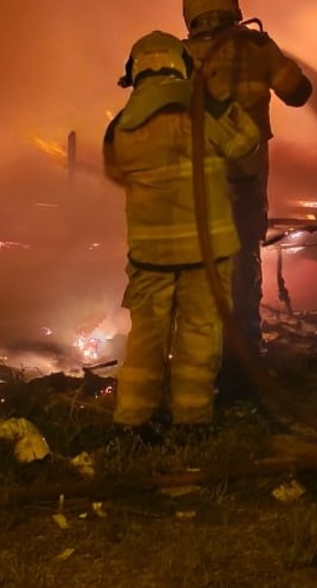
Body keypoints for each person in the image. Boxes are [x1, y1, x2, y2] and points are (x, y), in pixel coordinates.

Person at [103, 29, 260, 433]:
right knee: (199, 336)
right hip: (206, 258)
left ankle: (133, 424)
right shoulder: (202, 114)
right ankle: (191, 423)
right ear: (182, 65)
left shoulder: (121, 127)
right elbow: (247, 143)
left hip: (150, 258)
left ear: (134, 73)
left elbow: (114, 170)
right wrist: (221, 99)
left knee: (146, 341)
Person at [181, 0, 313, 380]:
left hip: (195, 183)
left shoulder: (178, 56)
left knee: (198, 266)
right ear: (233, 7)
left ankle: (200, 359)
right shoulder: (257, 48)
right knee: (243, 264)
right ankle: (245, 362)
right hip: (246, 176)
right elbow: (299, 92)